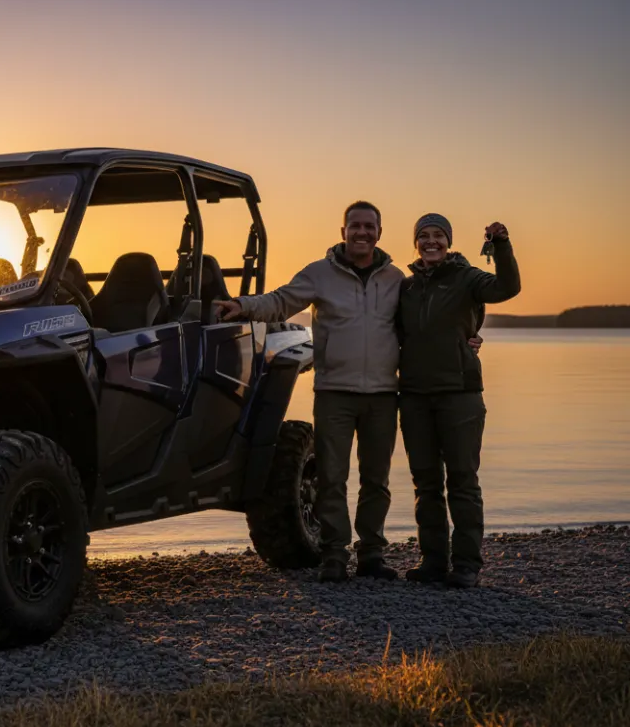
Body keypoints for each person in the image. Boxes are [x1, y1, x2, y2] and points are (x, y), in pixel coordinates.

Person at [214, 201, 404, 583]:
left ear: (379, 233)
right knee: (331, 477)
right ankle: (334, 554)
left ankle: (371, 554)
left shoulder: (396, 279)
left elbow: (427, 319)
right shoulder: (319, 273)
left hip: (383, 394)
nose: (362, 232)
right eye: (355, 226)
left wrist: (466, 335)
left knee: (376, 480)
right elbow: (281, 300)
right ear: (343, 232)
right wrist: (243, 306)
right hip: (334, 391)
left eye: (369, 227)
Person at [398, 215, 520, 589]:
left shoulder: (467, 278)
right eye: (423, 236)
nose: (431, 241)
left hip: (460, 395)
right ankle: (433, 560)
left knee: (463, 481)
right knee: (426, 483)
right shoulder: (406, 287)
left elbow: (507, 287)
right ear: (416, 242)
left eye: (438, 235)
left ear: (448, 241)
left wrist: (501, 245)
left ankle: (466, 564)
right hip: (415, 396)